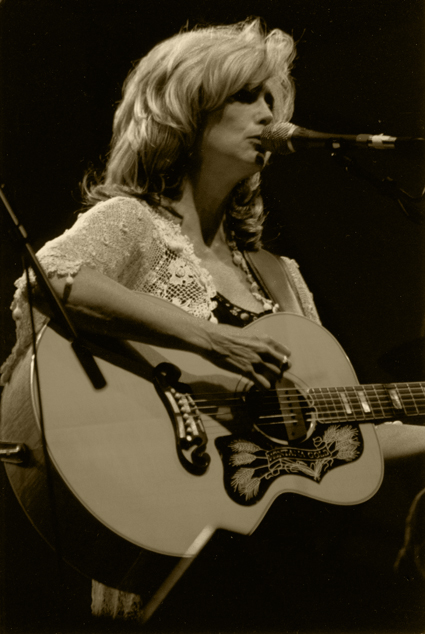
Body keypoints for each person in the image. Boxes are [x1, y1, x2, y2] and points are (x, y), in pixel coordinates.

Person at [1, 18, 424, 628]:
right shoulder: (133, 223)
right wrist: (213, 341)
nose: (267, 115)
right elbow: (51, 281)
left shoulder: (280, 274)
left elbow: (340, 429)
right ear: (186, 111)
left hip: (262, 557)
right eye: (244, 96)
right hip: (158, 535)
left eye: (271, 99)